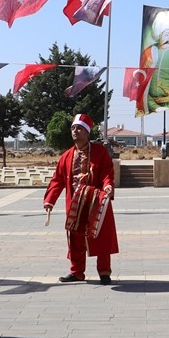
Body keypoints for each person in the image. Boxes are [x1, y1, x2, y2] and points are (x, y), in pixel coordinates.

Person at [43, 114, 119, 283]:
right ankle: (77, 272)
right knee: (75, 237)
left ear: (87, 132)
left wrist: (108, 186)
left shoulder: (100, 152)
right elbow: (57, 180)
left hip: (96, 200)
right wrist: (50, 200)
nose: (75, 131)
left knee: (101, 236)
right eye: (73, 128)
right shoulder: (66, 156)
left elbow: (107, 172)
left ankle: (104, 272)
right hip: (75, 203)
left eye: (79, 128)